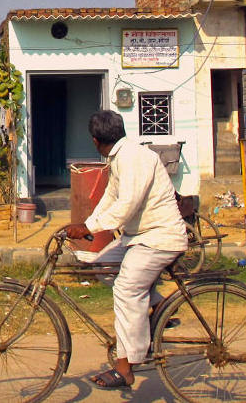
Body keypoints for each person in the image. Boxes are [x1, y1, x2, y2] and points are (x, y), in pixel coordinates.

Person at [65, 110, 187, 390]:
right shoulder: (119, 157)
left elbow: (126, 205)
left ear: (95, 140)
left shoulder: (133, 158)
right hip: (138, 237)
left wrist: (90, 228)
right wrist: (87, 223)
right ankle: (158, 307)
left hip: (159, 237)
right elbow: (111, 197)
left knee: (126, 290)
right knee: (101, 264)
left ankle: (125, 367)